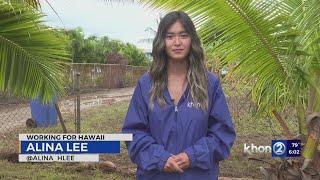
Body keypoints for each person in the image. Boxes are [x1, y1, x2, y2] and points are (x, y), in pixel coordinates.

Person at [122, 11, 236, 180]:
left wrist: (193, 156)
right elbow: (134, 134)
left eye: (183, 35)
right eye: (170, 36)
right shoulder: (146, 84)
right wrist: (161, 159)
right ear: (162, 41)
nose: (177, 42)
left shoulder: (210, 84)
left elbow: (222, 135)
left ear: (192, 40)